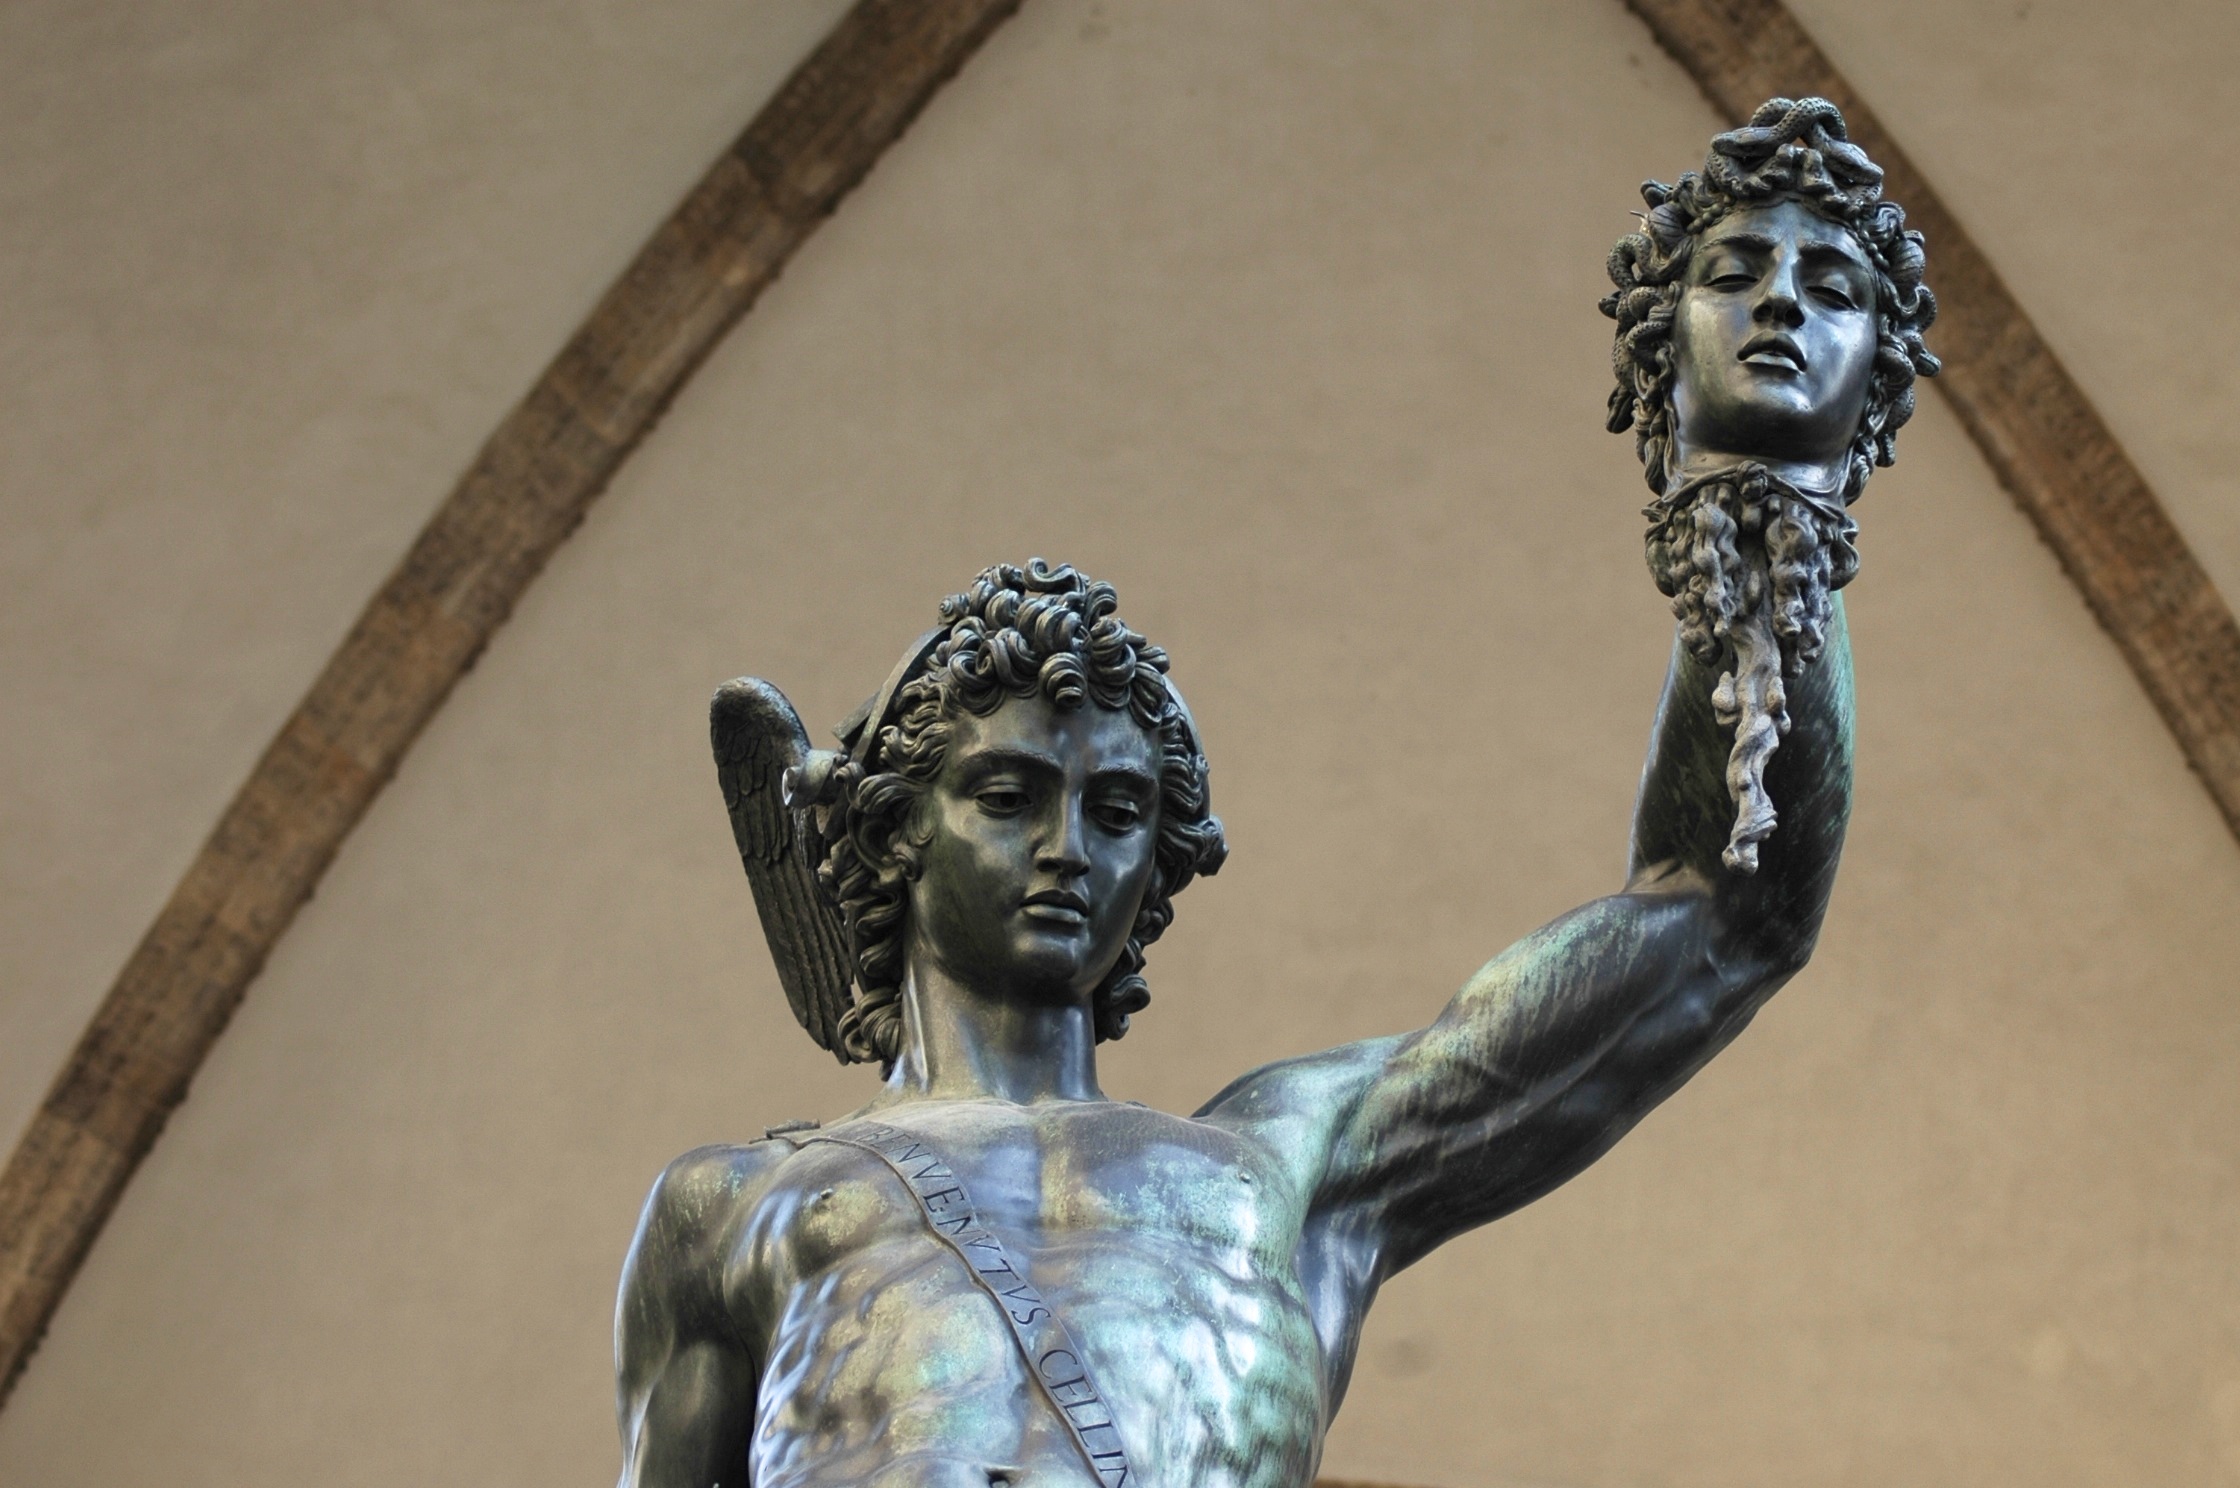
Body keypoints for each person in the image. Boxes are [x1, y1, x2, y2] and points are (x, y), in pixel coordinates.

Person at [615, 97, 1934, 1488]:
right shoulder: (733, 1213)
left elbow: (1725, 917)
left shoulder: (1283, 1171)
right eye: (1009, 793)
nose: (1069, 847)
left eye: (1120, 813)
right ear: (890, 834)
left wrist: (1764, 485)